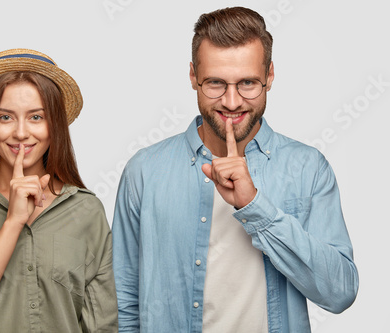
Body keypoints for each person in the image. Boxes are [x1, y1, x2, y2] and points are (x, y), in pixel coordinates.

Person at [112, 7, 358, 333]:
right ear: (192, 76)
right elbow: (122, 303)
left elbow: (340, 292)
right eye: (215, 83)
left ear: (269, 75)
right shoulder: (144, 171)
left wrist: (255, 206)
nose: (231, 102)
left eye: (247, 83)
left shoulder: (308, 169)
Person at [0, 49, 118, 332]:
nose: (20, 132)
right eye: (5, 117)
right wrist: (13, 223)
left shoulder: (87, 210)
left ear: (54, 126)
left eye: (36, 117)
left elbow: (102, 325)